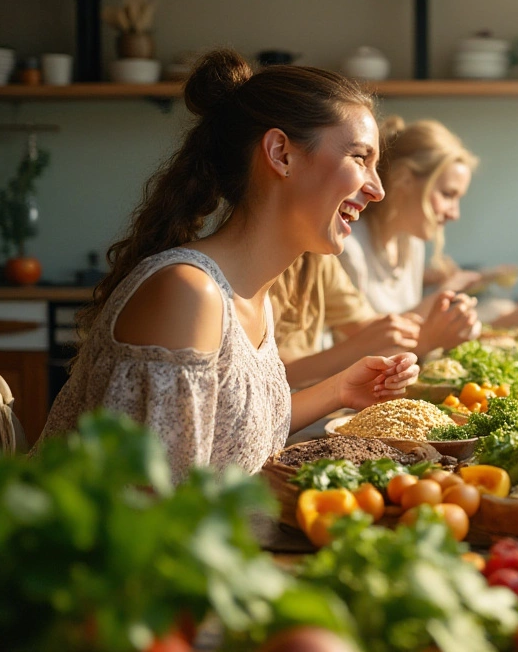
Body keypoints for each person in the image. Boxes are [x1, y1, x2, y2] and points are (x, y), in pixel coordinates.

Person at [42, 50, 419, 482]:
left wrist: (340, 390)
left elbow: (230, 435)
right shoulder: (189, 294)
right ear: (281, 153)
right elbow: (154, 505)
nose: (378, 189)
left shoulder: (252, 295)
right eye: (359, 158)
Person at [338, 118, 518, 352]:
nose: (455, 214)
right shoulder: (348, 248)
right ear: (404, 178)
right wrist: (444, 294)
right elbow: (363, 351)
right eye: (447, 194)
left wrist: (501, 321)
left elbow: (420, 336)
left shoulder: (410, 243)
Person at [270, 252, 421, 389]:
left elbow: (366, 326)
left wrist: (399, 338)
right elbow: (276, 375)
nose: (354, 220)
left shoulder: (317, 256)